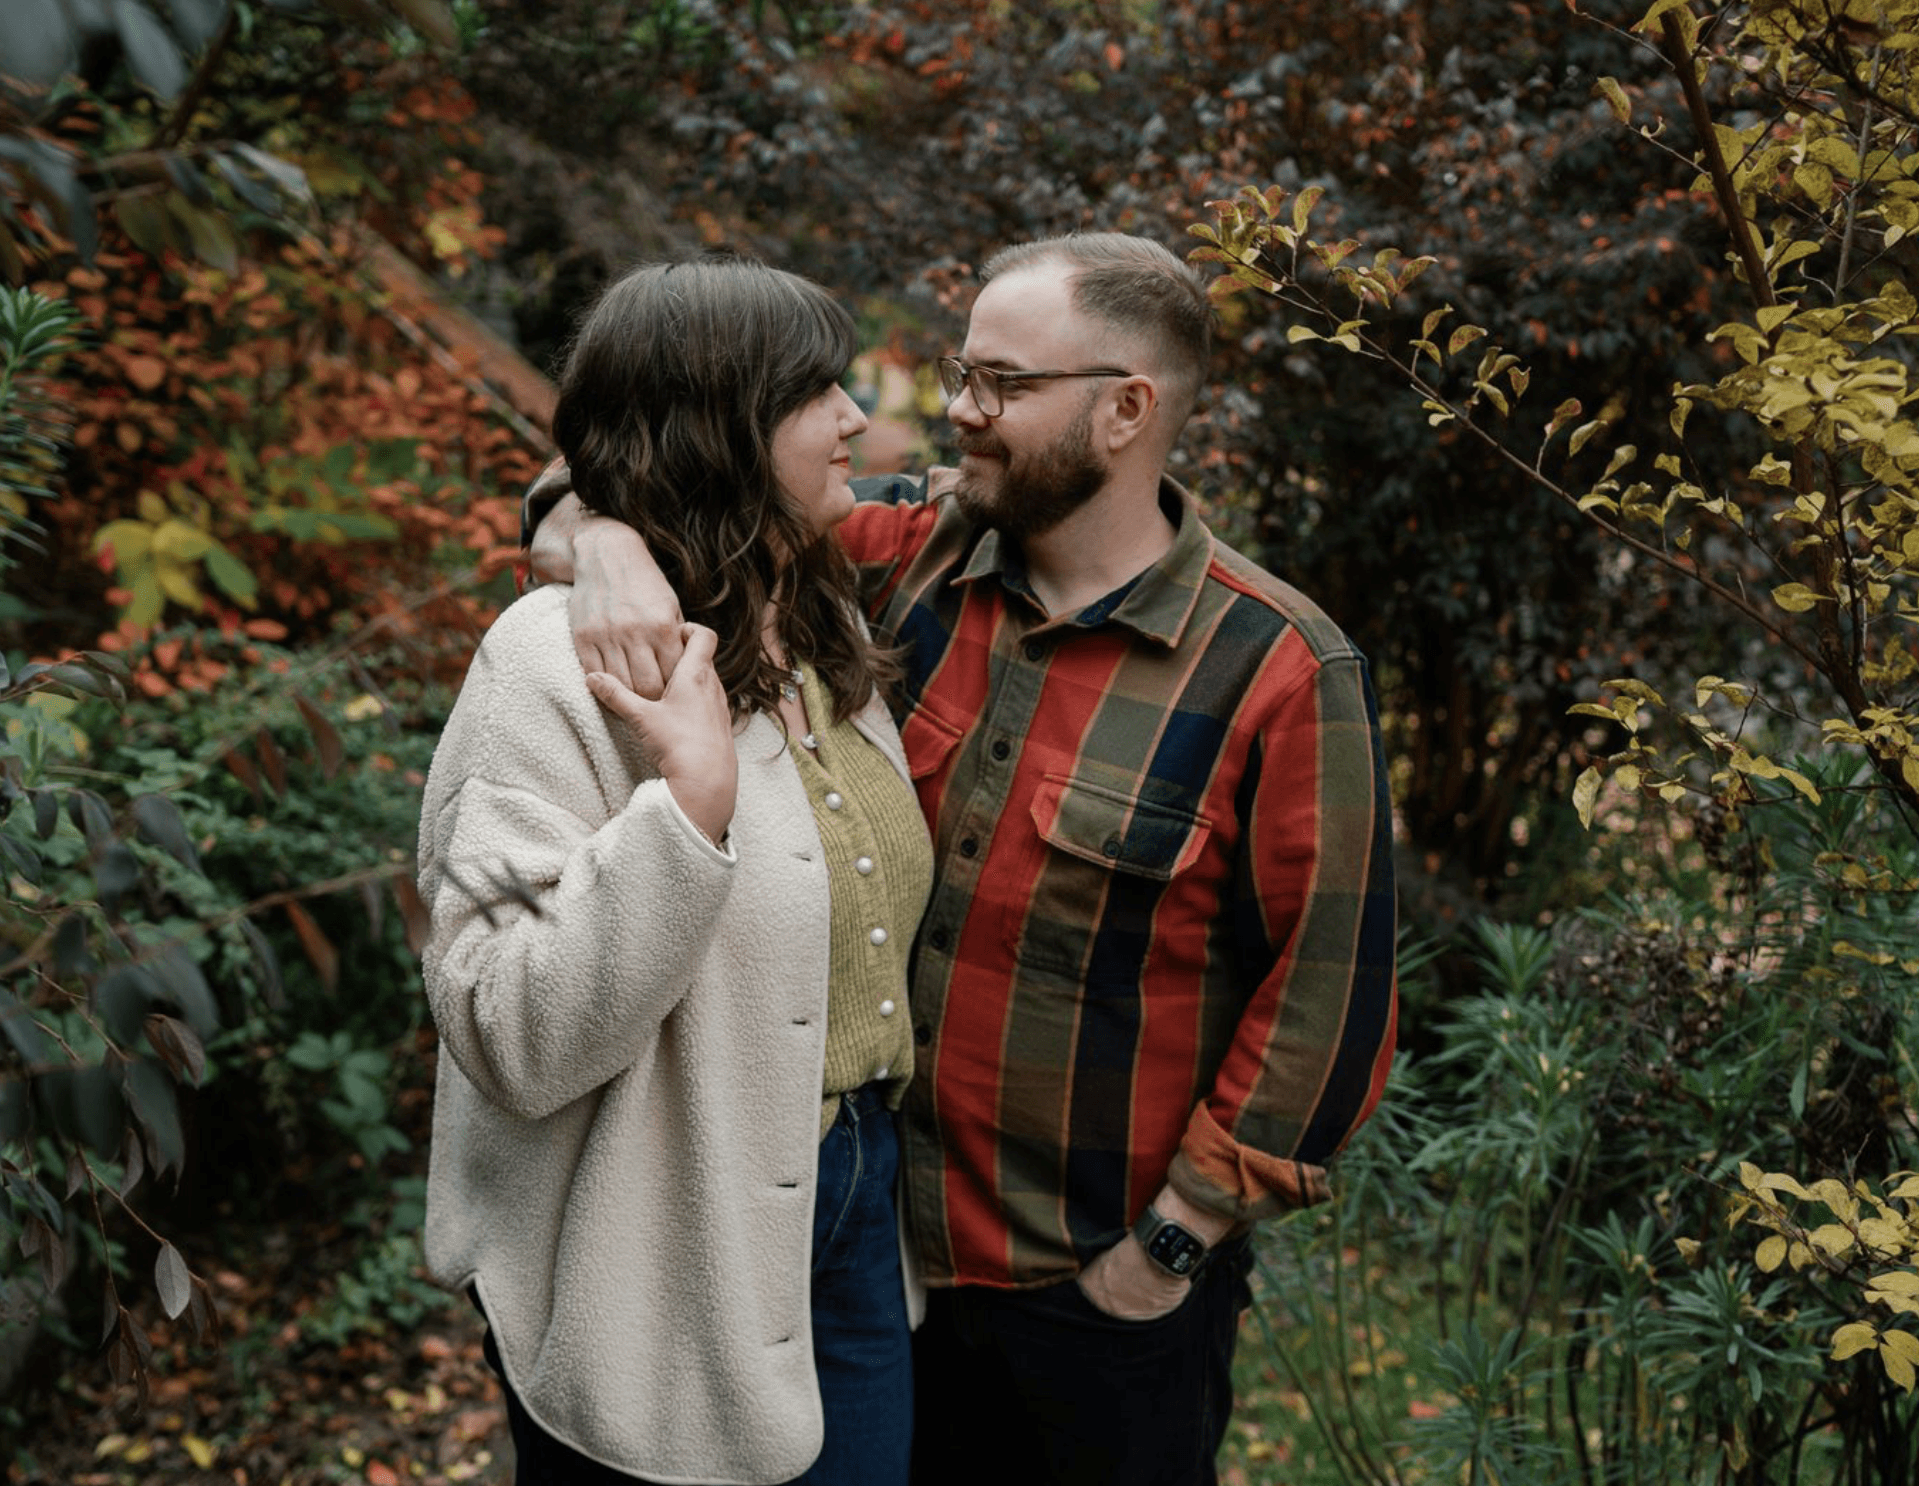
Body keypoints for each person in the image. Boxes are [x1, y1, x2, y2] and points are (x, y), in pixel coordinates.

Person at [529, 232, 1399, 1485]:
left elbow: (1330, 1001)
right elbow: (676, 470)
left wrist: (1168, 1247)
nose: (957, 410)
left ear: (1124, 409)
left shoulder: (1278, 673)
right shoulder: (902, 559)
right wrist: (603, 536)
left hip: (1091, 1303)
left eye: (999, 383)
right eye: (959, 372)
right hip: (864, 1261)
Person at [416, 256, 931, 1486]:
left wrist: (586, 524)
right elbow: (504, 1023)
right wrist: (685, 815)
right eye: (818, 390)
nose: (857, 417)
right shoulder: (545, 665)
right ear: (724, 424)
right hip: (652, 1237)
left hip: (853, 1210)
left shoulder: (820, 622)